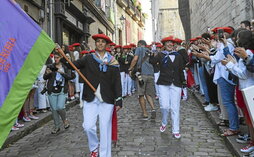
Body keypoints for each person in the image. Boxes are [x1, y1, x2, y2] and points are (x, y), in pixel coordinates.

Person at [61, 34, 122, 157]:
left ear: (106, 45)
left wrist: (119, 99)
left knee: (105, 129)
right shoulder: (88, 58)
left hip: (107, 99)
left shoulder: (113, 62)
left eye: (102, 42)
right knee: (88, 126)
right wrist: (62, 56)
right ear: (95, 44)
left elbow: (116, 82)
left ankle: (105, 154)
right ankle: (94, 148)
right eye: (98, 41)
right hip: (90, 97)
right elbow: (72, 65)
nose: (100, 43)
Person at [149, 36, 185, 139]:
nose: (169, 44)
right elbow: (151, 62)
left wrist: (184, 82)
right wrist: (152, 53)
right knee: (164, 106)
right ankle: (164, 121)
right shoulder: (160, 55)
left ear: (173, 45)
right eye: (167, 43)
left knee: (175, 107)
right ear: (164, 45)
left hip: (176, 84)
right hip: (163, 83)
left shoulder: (178, 55)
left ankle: (176, 129)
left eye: (171, 43)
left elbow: (181, 69)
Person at [43, 52, 75, 134]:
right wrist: (48, 73)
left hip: (62, 90)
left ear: (61, 57)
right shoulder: (50, 66)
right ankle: (57, 126)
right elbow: (44, 77)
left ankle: (65, 120)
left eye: (57, 57)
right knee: (54, 109)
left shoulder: (65, 67)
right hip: (52, 90)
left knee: (60, 107)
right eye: (54, 57)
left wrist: (62, 73)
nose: (56, 59)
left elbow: (69, 77)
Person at [128, 40, 156, 120]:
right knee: (148, 94)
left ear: (139, 44)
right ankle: (153, 108)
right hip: (151, 74)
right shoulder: (150, 51)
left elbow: (135, 59)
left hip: (142, 74)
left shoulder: (139, 49)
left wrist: (130, 68)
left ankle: (145, 113)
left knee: (141, 94)